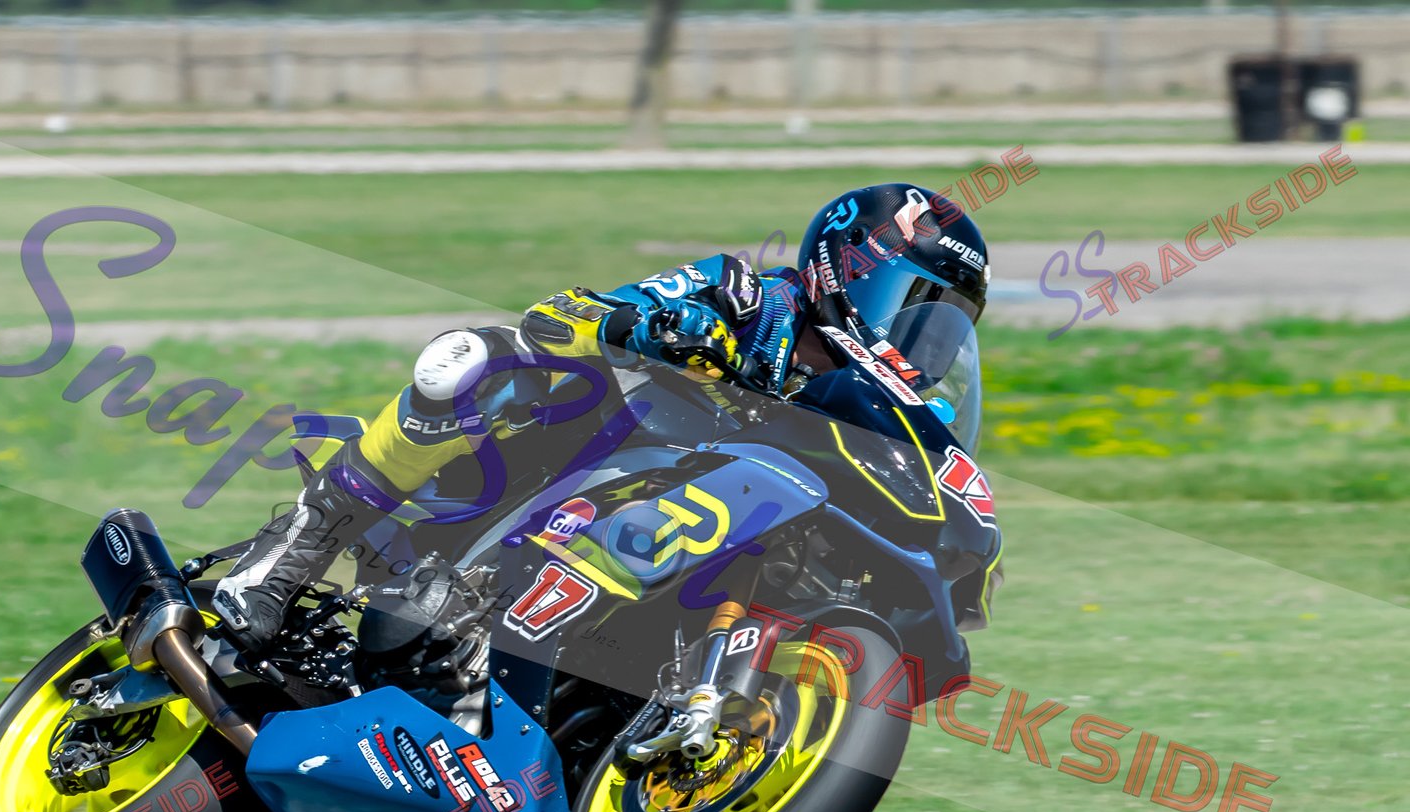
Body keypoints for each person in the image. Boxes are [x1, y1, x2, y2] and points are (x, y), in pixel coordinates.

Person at [213, 183, 992, 653]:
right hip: (583, 466)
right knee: (477, 359)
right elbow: (559, 316)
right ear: (849, 264)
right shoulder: (745, 294)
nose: (921, 340)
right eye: (913, 302)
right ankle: (296, 545)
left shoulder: (881, 409)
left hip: (701, 543)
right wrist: (650, 328)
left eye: (944, 324)